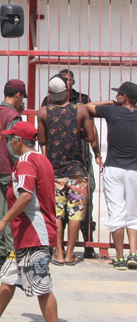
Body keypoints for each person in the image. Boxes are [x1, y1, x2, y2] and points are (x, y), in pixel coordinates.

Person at [0, 122, 58, 322]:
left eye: (11, 139)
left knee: (42, 287)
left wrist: (3, 221)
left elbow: (25, 196)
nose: (9, 143)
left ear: (18, 141)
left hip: (34, 235)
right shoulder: (42, 160)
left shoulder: (26, 162)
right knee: (9, 277)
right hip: (26, 236)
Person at [37, 75, 97, 266]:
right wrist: (79, 132)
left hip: (54, 170)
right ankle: (71, 254)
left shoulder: (44, 113)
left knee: (56, 214)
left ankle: (58, 253)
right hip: (77, 170)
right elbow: (91, 137)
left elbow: (42, 141)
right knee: (75, 213)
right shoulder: (80, 110)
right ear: (67, 92)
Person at [86, 81, 137, 271]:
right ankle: (133, 254)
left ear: (125, 97)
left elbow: (87, 107)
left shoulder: (113, 111)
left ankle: (120, 258)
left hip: (114, 168)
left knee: (116, 212)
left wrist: (110, 103)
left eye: (118, 94)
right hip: (135, 171)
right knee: (133, 214)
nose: (116, 96)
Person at [0, 79, 26, 272]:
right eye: (22, 97)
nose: (22, 102)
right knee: (12, 214)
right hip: (11, 170)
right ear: (18, 95)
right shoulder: (13, 116)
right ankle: (12, 254)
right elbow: (15, 146)